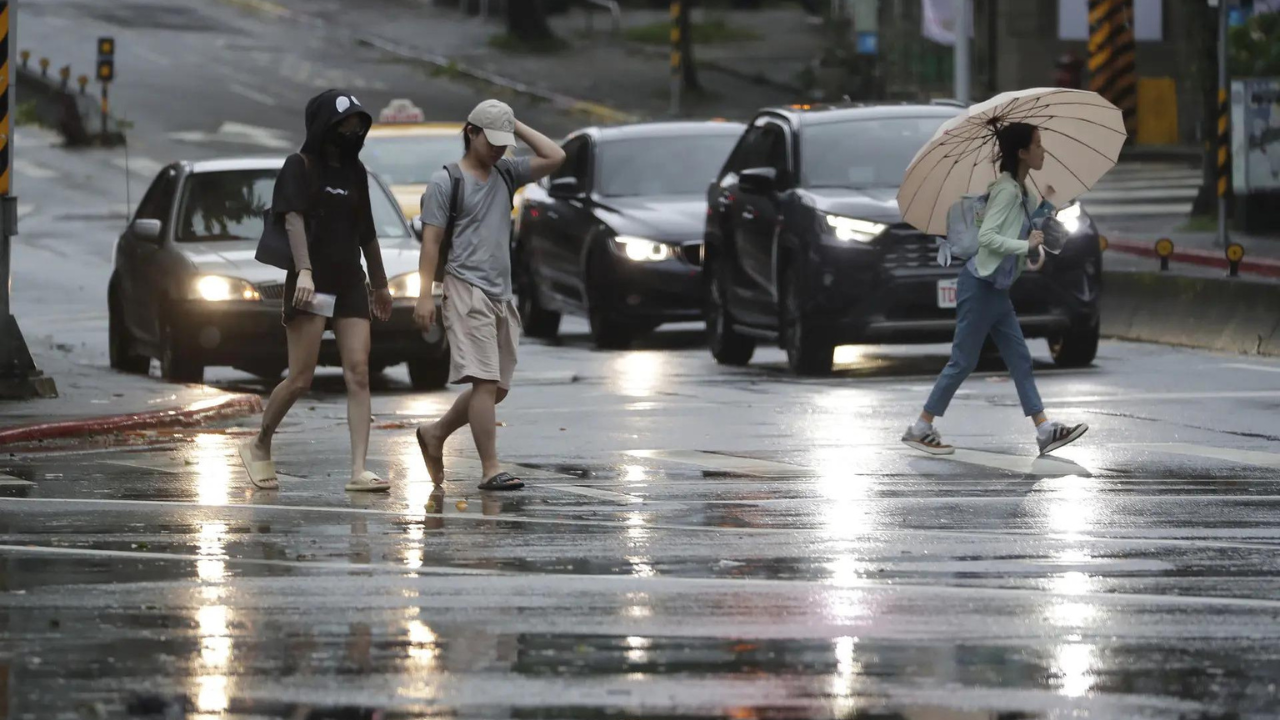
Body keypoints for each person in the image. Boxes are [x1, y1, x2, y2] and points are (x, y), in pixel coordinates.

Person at [902, 122, 1088, 457]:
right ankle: (921, 427)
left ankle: (1044, 430)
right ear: (1021, 153)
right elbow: (988, 238)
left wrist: (1046, 206)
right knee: (963, 361)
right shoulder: (1005, 190)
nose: (1043, 151)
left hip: (995, 289)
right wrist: (1023, 245)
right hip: (980, 285)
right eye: (1038, 145)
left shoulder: (1019, 190)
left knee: (1019, 359)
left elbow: (1029, 221)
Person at [239, 89, 394, 493]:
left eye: (358, 124)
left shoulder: (356, 172)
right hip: (313, 283)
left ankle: (359, 469)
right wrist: (304, 272)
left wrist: (380, 284)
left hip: (348, 283)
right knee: (301, 378)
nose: (352, 130)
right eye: (345, 123)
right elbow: (293, 220)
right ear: (325, 125)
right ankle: (259, 443)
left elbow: (368, 233)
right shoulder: (300, 166)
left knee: (358, 372)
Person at [412, 100, 566, 491]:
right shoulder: (446, 181)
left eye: (504, 141)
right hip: (465, 288)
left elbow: (556, 156)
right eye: (491, 139)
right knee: (484, 381)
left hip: (501, 293)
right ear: (471, 132)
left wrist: (515, 124)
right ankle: (490, 468)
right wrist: (425, 295)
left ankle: (435, 433)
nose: (498, 148)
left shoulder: (506, 173)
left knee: (496, 388)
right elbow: (431, 242)